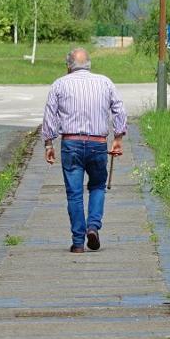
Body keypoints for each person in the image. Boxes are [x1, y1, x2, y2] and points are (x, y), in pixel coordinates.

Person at [41, 47, 128, 253]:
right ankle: (93, 227)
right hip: (98, 143)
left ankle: (78, 243)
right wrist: (118, 138)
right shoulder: (105, 82)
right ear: (89, 64)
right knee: (97, 186)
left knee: (74, 193)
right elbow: (119, 109)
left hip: (71, 144)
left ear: (68, 66)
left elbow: (49, 116)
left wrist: (48, 144)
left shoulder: (59, 84)